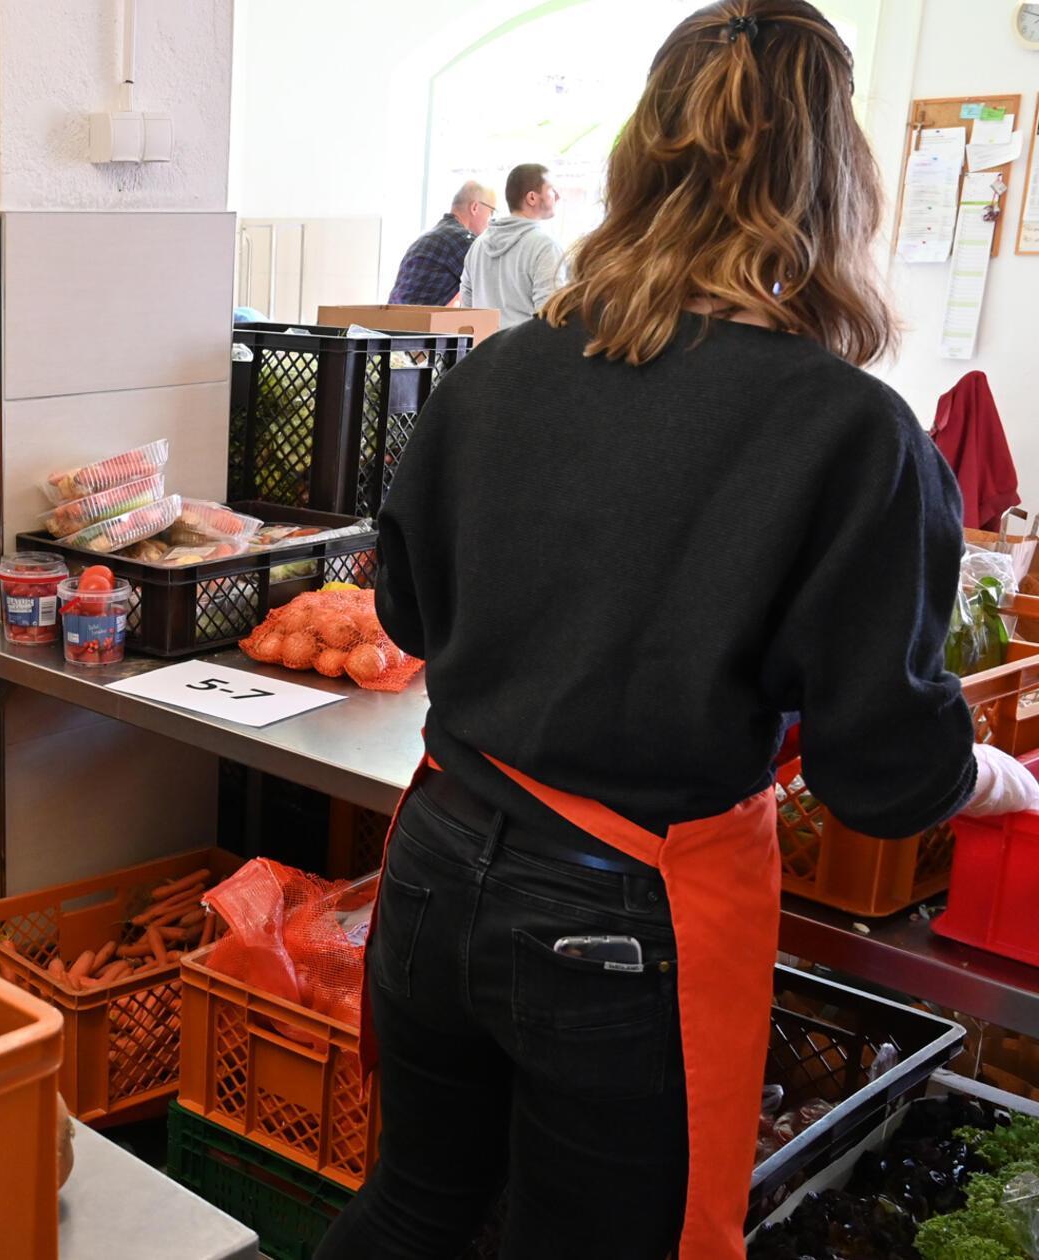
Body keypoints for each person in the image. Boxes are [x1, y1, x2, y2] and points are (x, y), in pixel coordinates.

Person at [314, 4, 1039, 1258]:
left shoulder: (495, 373)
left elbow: (407, 614)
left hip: (435, 861)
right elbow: (880, 776)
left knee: (415, 1208)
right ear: (837, 184)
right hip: (615, 922)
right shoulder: (848, 432)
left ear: (638, 160)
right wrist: (990, 774)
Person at [458, 162, 563, 329]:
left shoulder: (478, 245)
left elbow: (466, 307)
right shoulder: (545, 246)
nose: (558, 196)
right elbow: (549, 316)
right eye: (551, 189)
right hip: (524, 352)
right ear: (532, 198)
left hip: (483, 350)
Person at [388, 181, 495, 306]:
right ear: (474, 207)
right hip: (419, 323)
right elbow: (495, 286)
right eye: (491, 212)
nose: (491, 221)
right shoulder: (462, 240)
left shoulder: (429, 236)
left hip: (392, 321)